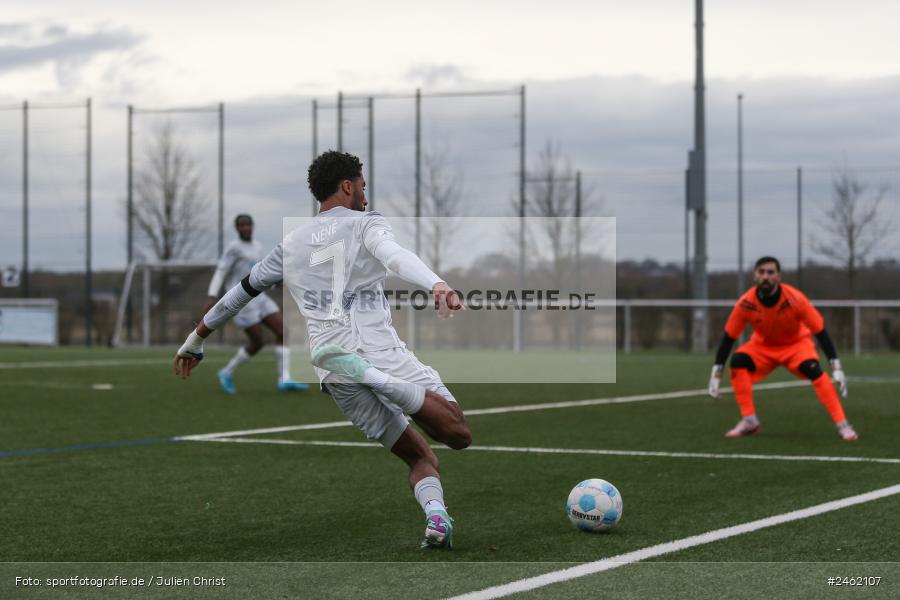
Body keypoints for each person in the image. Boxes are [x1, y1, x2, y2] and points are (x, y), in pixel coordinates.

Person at [175, 151, 471, 549]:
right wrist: (436, 283)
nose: (365, 193)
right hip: (376, 353)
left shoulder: (291, 243)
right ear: (347, 186)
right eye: (362, 185)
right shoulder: (367, 223)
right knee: (457, 433)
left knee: (420, 456)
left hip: (332, 370)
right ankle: (379, 379)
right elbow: (394, 256)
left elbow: (239, 293)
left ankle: (437, 519)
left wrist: (195, 340)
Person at [707, 256, 857, 441]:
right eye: (761, 272)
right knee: (738, 361)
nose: (765, 277)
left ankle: (842, 425)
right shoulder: (746, 302)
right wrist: (716, 374)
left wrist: (837, 368)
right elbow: (729, 337)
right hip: (763, 346)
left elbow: (820, 331)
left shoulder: (795, 299)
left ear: (779, 276)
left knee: (814, 370)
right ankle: (749, 421)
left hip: (796, 345)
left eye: (771, 272)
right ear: (754, 275)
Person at [203, 214, 308, 394]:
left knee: (283, 332)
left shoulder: (258, 247)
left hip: (260, 298)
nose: (245, 228)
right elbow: (221, 272)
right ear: (237, 228)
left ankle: (284, 379)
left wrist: (276, 282)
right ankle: (226, 372)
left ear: (253, 226)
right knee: (257, 342)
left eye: (248, 225)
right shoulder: (233, 248)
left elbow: (261, 272)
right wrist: (212, 296)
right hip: (243, 302)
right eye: (241, 225)